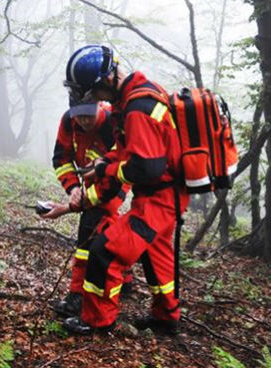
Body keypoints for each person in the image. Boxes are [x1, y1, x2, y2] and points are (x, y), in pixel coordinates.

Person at [61, 44, 189, 335]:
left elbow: (146, 167)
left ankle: (96, 320)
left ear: (106, 80)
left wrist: (107, 169)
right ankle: (166, 317)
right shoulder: (137, 94)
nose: (93, 100)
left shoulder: (137, 108)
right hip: (164, 196)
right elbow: (134, 149)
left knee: (105, 250)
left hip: (159, 201)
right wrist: (107, 160)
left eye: (93, 93)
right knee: (155, 253)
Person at [40, 98, 131, 318]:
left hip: (116, 181)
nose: (84, 120)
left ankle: (78, 296)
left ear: (100, 107)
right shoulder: (68, 122)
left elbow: (109, 185)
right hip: (91, 181)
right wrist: (72, 189)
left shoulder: (112, 125)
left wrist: (72, 206)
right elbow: (61, 159)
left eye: (89, 115)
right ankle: (125, 279)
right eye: (79, 115)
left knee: (90, 229)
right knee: (105, 228)